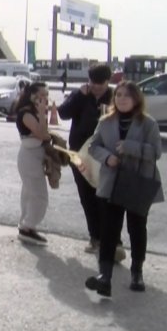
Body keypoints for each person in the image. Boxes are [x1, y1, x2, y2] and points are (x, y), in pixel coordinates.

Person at [85, 81, 164, 296]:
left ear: (136, 99)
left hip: (137, 182)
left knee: (137, 228)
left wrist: (131, 148)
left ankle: (137, 271)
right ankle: (105, 276)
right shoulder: (106, 121)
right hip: (111, 182)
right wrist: (107, 157)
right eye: (118, 95)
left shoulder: (148, 123)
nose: (121, 99)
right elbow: (93, 146)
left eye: (126, 95)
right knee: (109, 230)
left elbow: (156, 152)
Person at [57, 64, 120, 257]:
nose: (96, 87)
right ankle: (95, 239)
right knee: (87, 198)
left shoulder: (115, 97)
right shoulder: (81, 95)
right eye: (93, 82)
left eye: (100, 83)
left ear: (107, 82)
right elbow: (63, 113)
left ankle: (113, 242)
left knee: (107, 199)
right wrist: (79, 96)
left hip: (105, 155)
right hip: (79, 155)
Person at [14, 82, 52, 245]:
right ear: (32, 95)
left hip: (35, 155)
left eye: (46, 95)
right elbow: (42, 134)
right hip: (29, 155)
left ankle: (27, 225)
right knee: (38, 194)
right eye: (41, 95)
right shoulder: (26, 113)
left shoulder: (33, 112)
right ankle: (28, 225)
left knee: (30, 192)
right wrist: (43, 113)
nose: (45, 98)